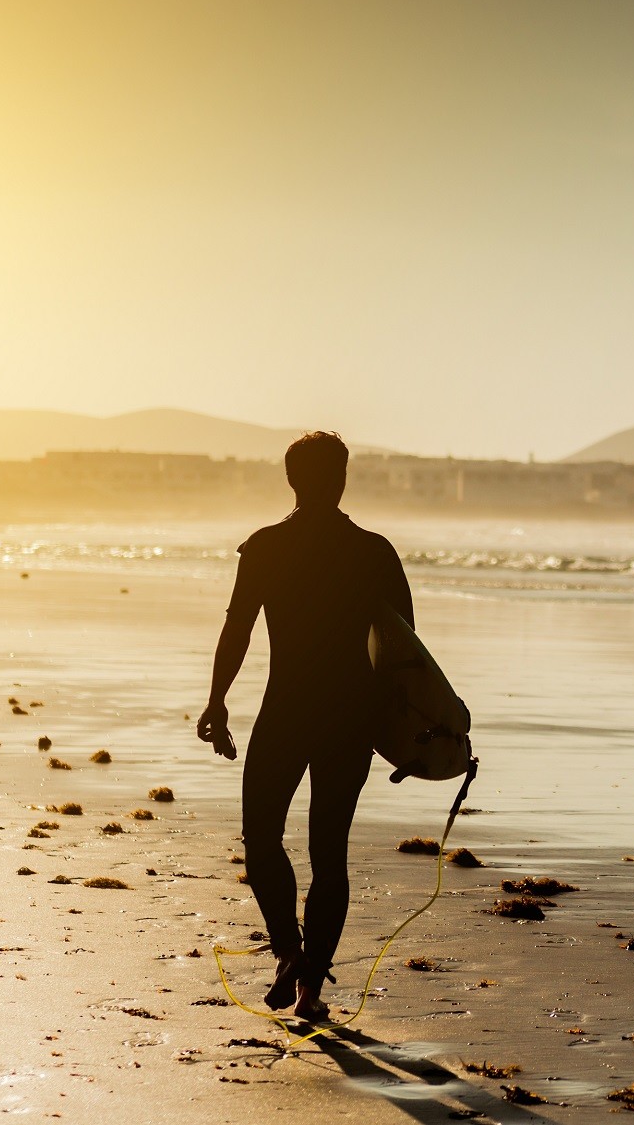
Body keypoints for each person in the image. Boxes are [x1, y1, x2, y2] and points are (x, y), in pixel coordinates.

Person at [196, 431, 413, 1021]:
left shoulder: (267, 547)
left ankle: (289, 953)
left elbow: (236, 630)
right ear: (342, 478)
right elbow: (403, 655)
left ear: (291, 479)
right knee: (329, 854)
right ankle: (310, 985)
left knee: (262, 839)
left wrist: (217, 702)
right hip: (351, 717)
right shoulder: (374, 552)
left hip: (286, 709)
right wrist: (403, 740)